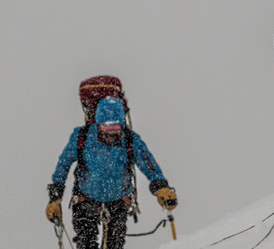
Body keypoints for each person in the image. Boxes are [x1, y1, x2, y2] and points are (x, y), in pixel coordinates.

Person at [45, 96, 178, 249]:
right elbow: (63, 164)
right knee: (86, 242)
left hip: (118, 199)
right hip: (85, 197)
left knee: (114, 245)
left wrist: (160, 186)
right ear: (98, 123)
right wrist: (55, 197)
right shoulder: (82, 137)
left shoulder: (130, 140)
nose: (111, 133)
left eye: (115, 128)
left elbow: (148, 164)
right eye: (106, 127)